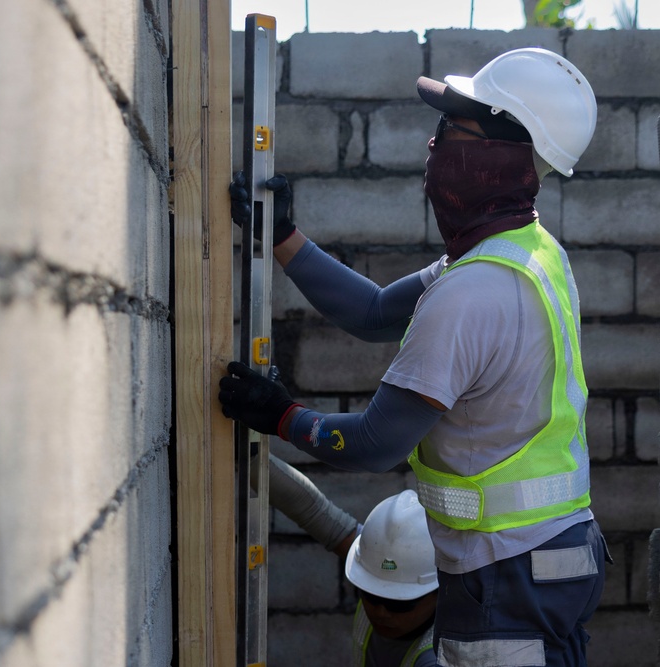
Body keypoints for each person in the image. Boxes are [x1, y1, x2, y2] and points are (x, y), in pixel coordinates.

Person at [221, 47, 609, 666]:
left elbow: (378, 444)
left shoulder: (477, 290)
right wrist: (284, 236)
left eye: (454, 128)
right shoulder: (520, 252)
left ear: (501, 153)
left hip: (505, 570)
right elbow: (375, 314)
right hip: (548, 557)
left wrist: (280, 415)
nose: (436, 146)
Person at [264, 454, 438, 666]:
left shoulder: (438, 657)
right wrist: (250, 455)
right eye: (370, 594)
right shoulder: (379, 558)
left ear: (438, 592)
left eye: (400, 603)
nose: (381, 612)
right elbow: (311, 511)